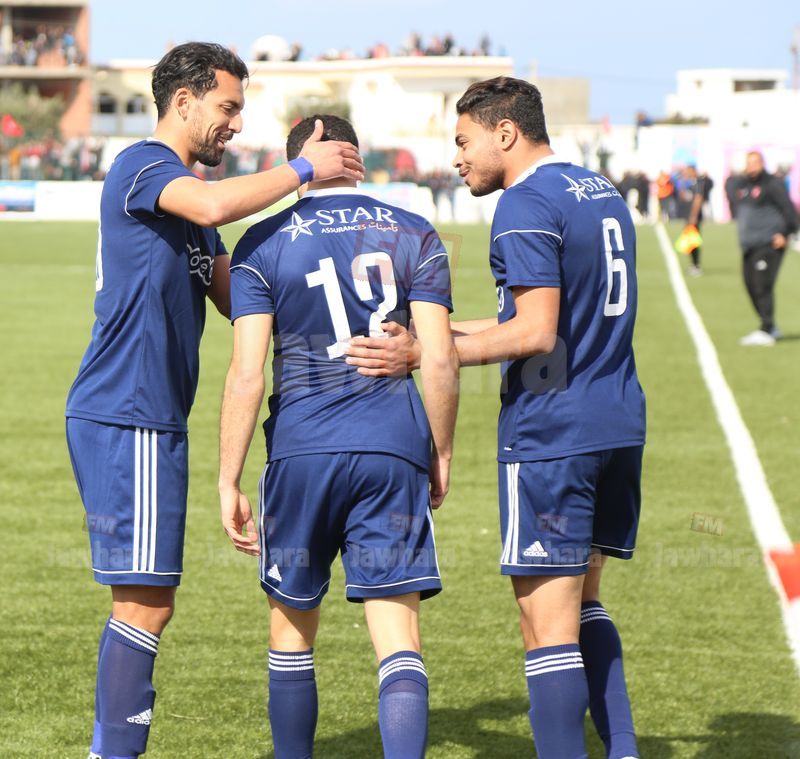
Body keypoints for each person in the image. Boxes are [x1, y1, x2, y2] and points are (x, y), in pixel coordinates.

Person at [65, 43, 363, 759]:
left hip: (153, 415)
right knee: (144, 602)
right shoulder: (144, 167)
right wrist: (302, 170)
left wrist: (341, 276)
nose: (236, 122)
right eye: (227, 106)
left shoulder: (194, 215)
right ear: (183, 100)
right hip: (126, 409)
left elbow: (243, 300)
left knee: (150, 600)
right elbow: (216, 200)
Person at [345, 76, 646, 759]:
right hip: (617, 420)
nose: (456, 158)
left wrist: (430, 354)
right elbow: (539, 316)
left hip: (553, 433)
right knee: (584, 602)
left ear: (505, 133)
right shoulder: (597, 189)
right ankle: (623, 748)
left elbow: (536, 332)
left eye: (463, 141)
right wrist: (434, 336)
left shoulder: (523, 204)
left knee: (546, 628)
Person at [218, 114, 459, 759]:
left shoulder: (261, 241)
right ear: (357, 159)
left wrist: (227, 478)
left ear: (299, 165)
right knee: (398, 640)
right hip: (392, 446)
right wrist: (440, 449)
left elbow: (247, 372)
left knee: (291, 635)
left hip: (301, 452)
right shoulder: (416, 231)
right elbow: (438, 358)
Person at [735, 151, 799, 346]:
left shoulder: (772, 184)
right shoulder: (744, 184)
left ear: (763, 163)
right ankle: (770, 326)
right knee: (750, 284)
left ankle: (767, 329)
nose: (752, 166)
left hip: (769, 243)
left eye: (755, 162)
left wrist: (786, 233)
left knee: (762, 285)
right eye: (749, 162)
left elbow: (788, 209)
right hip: (750, 245)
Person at [682, 165, 713, 276]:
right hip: (689, 215)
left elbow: (698, 199)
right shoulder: (690, 183)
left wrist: (693, 215)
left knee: (694, 241)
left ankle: (696, 265)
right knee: (690, 241)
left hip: (694, 217)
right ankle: (693, 264)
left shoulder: (699, 183)